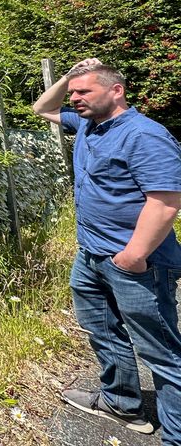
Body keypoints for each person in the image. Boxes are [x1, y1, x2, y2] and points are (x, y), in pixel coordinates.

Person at [32, 57, 181, 443]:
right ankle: (121, 403)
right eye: (73, 93)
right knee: (102, 330)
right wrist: (68, 76)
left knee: (161, 351)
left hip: (137, 264)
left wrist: (133, 255)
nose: (76, 98)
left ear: (116, 91)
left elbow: (165, 200)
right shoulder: (85, 124)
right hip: (92, 256)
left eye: (85, 91)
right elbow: (42, 108)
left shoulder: (143, 135)